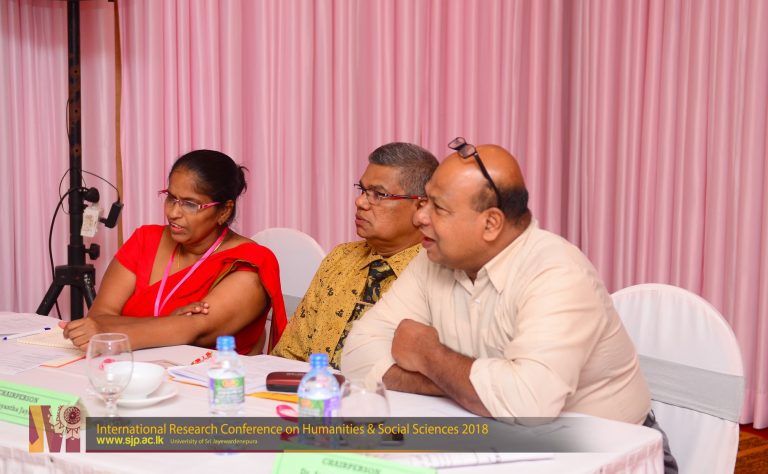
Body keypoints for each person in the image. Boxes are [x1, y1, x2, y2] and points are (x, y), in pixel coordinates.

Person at [341, 138, 677, 471]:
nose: (420, 218)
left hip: (612, 454)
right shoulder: (434, 258)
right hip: (503, 440)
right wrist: (462, 387)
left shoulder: (557, 272)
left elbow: (527, 404)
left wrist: (427, 355)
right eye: (425, 201)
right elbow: (356, 355)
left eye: (438, 208)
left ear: (491, 224)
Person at [60, 149, 287, 355]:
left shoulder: (249, 264)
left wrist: (110, 333)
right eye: (171, 198)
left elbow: (194, 329)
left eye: (190, 204)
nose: (173, 213)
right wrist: (167, 322)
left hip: (214, 381)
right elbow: (99, 316)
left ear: (224, 211)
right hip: (134, 371)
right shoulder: (145, 240)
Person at [271, 142, 438, 368]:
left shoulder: (439, 273)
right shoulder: (341, 258)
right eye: (362, 190)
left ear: (422, 206)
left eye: (379, 194)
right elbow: (289, 354)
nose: (360, 202)